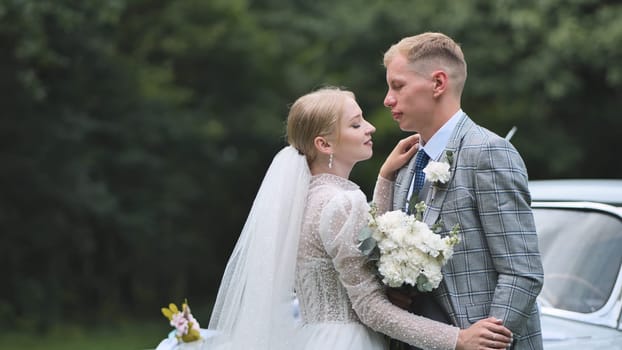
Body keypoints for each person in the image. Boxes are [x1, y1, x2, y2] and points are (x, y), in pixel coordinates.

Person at [205, 86, 513, 350]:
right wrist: (456, 339)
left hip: (315, 337)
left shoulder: (304, 199)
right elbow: (370, 308)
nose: (370, 128)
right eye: (355, 125)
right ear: (324, 144)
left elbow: (360, 244)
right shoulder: (341, 203)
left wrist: (384, 178)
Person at [382, 32, 544, 350]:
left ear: (438, 83)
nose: (388, 99)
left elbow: (522, 271)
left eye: (397, 85)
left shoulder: (488, 152)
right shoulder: (404, 162)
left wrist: (485, 342)